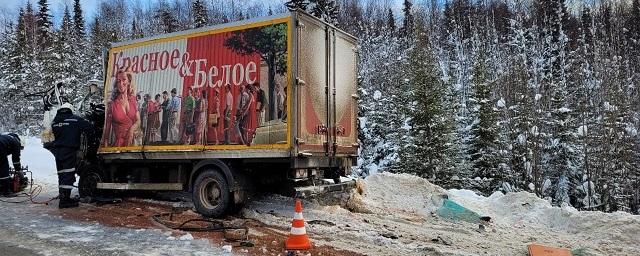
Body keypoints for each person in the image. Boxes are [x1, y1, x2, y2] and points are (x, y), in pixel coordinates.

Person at [51, 103, 94, 208]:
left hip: (57, 150)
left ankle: (63, 196)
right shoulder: (74, 119)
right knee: (68, 173)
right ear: (70, 110)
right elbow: (89, 128)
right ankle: (65, 201)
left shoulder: (54, 121)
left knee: (61, 173)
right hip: (69, 150)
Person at [103, 70, 140, 147]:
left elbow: (138, 120)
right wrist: (105, 146)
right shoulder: (112, 105)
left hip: (134, 144)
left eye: (124, 79)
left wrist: (132, 129)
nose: (121, 83)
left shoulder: (133, 100)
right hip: (120, 146)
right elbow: (107, 128)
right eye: (118, 81)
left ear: (129, 81)